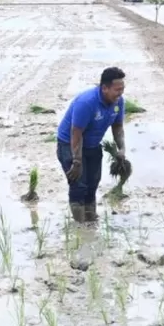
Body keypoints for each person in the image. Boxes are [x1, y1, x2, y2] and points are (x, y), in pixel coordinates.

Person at [56, 67, 127, 223]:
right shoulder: (87, 102)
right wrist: (76, 161)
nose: (120, 93)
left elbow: (117, 127)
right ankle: (80, 226)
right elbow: (76, 133)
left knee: (92, 184)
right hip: (70, 143)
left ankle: (90, 220)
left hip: (92, 144)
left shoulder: (118, 102)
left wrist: (121, 149)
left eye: (122, 89)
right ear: (104, 88)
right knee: (79, 184)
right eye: (117, 90)